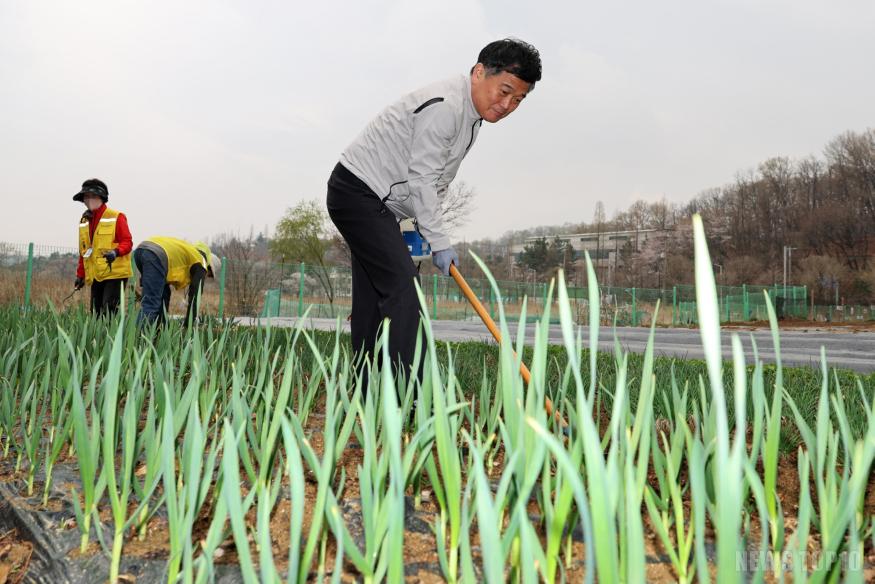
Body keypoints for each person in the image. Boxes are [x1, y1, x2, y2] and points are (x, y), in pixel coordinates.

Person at [327, 38, 541, 381]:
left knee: (373, 301)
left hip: (379, 204)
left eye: (518, 99)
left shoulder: (471, 118)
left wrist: (420, 231)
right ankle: (404, 395)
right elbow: (422, 181)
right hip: (358, 192)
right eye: (503, 91)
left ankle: (365, 395)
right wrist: (439, 240)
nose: (507, 105)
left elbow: (434, 183)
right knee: (405, 293)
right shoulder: (446, 106)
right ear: (479, 72)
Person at [73, 178, 133, 316]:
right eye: (86, 197)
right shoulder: (84, 221)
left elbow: (127, 242)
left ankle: (113, 336)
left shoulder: (116, 216)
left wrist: (115, 252)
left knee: (109, 312)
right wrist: (80, 275)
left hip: (115, 274)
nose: (89, 200)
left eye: (92, 196)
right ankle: (99, 338)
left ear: (102, 197)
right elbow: (84, 252)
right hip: (96, 275)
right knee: (96, 313)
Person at [132, 237, 220, 326]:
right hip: (156, 255)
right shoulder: (201, 263)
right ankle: (138, 338)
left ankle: (159, 330)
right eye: (209, 275)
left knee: (164, 295)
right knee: (151, 304)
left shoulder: (188, 253)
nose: (206, 276)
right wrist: (189, 323)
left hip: (142, 250)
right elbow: (195, 297)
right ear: (209, 267)